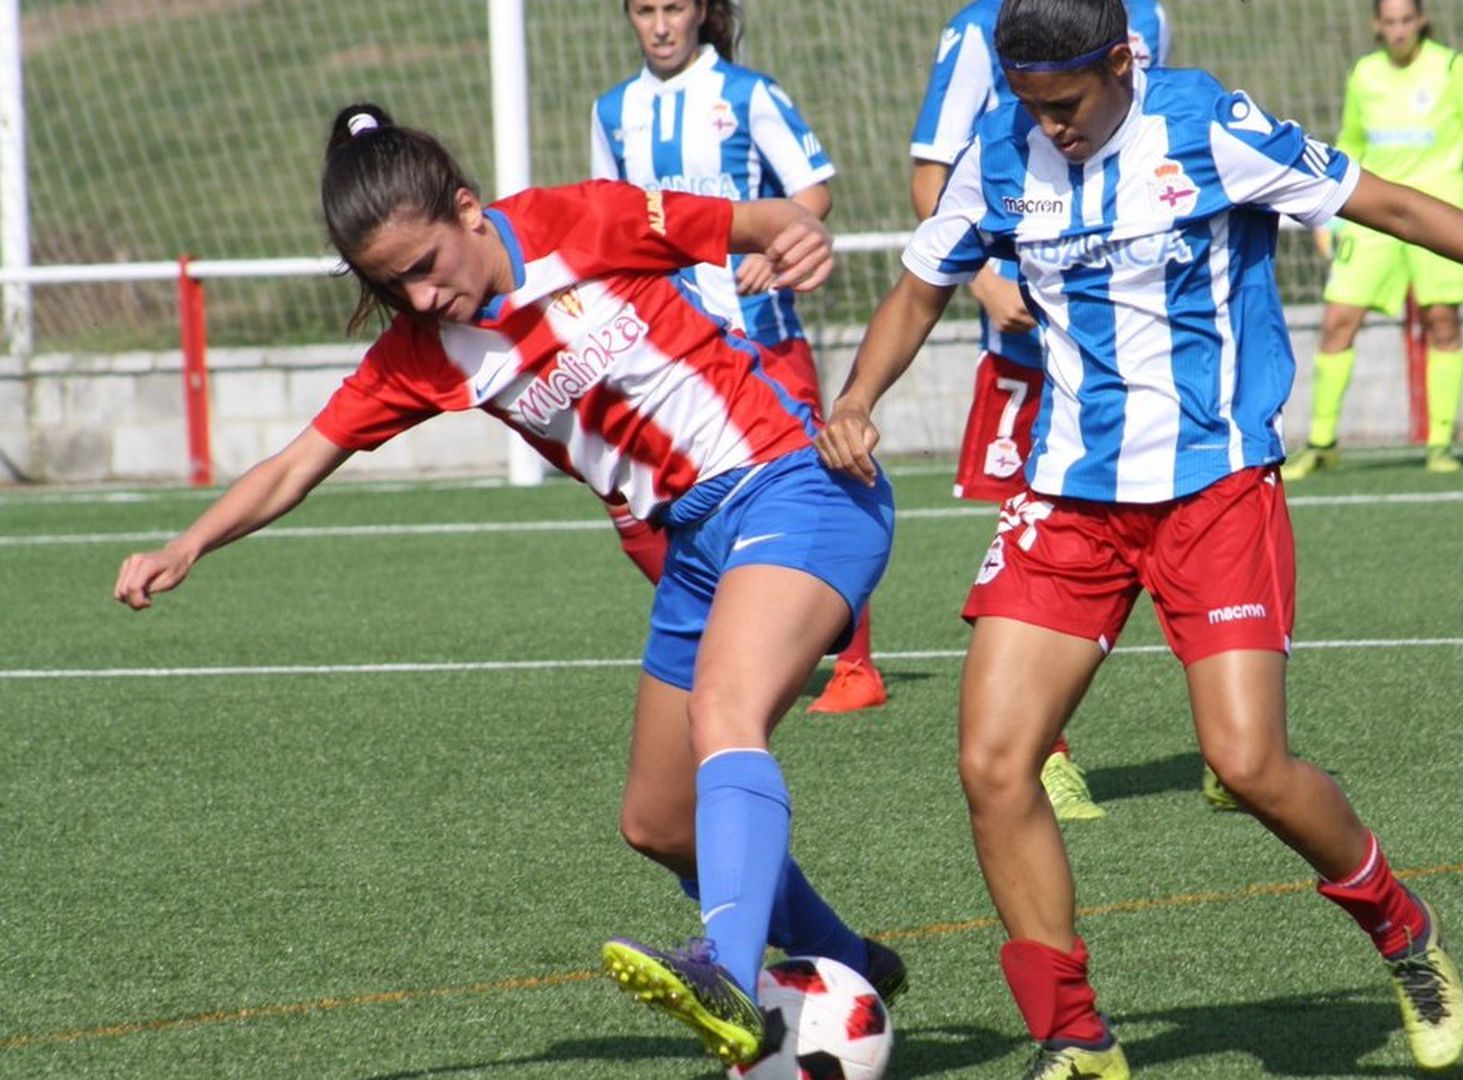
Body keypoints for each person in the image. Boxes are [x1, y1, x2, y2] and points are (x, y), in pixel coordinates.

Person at [816, 0, 1463, 1074]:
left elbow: (1388, 203)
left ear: (1122, 62)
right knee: (993, 763)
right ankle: (1077, 1043)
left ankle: (1400, 928)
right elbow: (918, 290)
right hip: (1070, 496)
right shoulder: (1002, 150)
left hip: (1214, 488)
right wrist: (856, 396)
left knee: (1247, 763)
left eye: (1066, 105)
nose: (1051, 128)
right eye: (1031, 106)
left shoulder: (1206, 127)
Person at [113, 104, 903, 1070]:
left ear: (469, 210)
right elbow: (294, 462)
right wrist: (188, 544)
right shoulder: (420, 353)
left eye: (425, 263)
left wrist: (799, 236)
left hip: (797, 485)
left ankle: (727, 972)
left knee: (724, 714)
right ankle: (845, 960)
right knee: (657, 823)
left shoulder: (588, 219)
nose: (418, 295)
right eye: (389, 283)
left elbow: (764, 221)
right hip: (695, 545)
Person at [909, 0, 1170, 823]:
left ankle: (1236, 737)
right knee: (1026, 542)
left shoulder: (1144, 16)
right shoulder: (978, 28)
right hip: (1034, 344)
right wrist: (986, 283)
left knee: (1182, 528)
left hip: (1150, 351)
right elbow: (933, 174)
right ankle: (1044, 753)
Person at [590, 0, 887, 713]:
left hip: (763, 328)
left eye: (673, 8)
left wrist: (775, 242)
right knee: (648, 501)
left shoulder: (748, 94)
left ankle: (855, 668)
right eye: (643, 10)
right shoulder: (613, 110)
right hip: (667, 344)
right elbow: (608, 215)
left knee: (823, 475)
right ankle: (735, 623)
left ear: (701, 14)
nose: (659, 25)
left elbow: (812, 189)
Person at [1284, 0, 1463, 479]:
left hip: (1440, 213)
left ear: (1421, 21)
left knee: (1441, 322)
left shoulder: (1451, 68)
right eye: (1388, 22)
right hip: (1375, 215)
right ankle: (1322, 442)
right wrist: (1329, 216)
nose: (1397, 31)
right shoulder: (1364, 75)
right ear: (1377, 25)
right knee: (1338, 321)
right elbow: (1349, 142)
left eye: (1405, 21)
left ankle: (1440, 443)